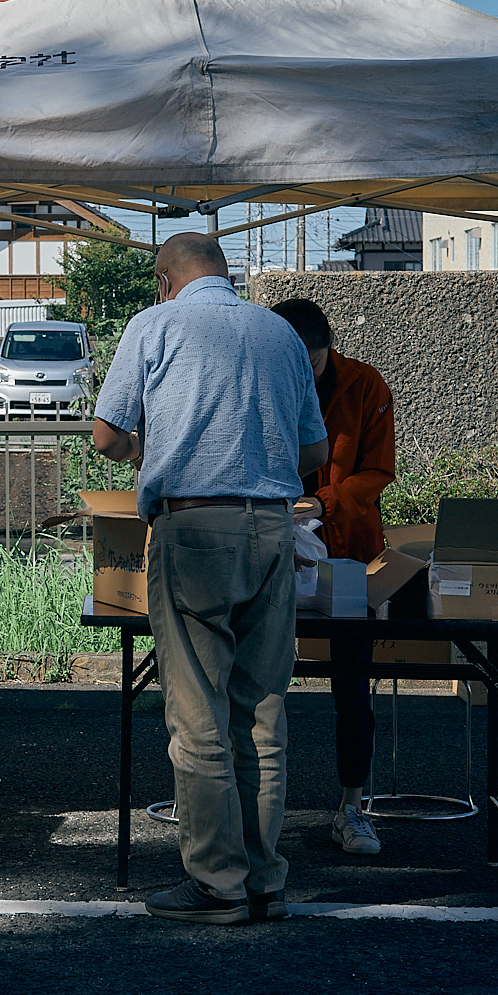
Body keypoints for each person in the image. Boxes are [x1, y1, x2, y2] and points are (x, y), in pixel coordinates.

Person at [92, 233, 328, 925]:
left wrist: (151, 446)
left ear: (166, 279)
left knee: (198, 714)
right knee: (262, 712)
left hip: (193, 528)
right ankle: (264, 879)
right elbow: (314, 449)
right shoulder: (281, 333)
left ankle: (216, 882)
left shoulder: (154, 325)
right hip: (273, 529)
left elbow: (106, 435)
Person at [269, 297, 397, 858]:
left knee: (353, 684)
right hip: (269, 545)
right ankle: (249, 810)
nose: (306, 373)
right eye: (295, 362)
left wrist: (324, 504)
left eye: (314, 362)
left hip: (350, 552)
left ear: (328, 348)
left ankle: (352, 806)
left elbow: (379, 469)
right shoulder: (257, 379)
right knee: (256, 683)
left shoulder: (366, 385)